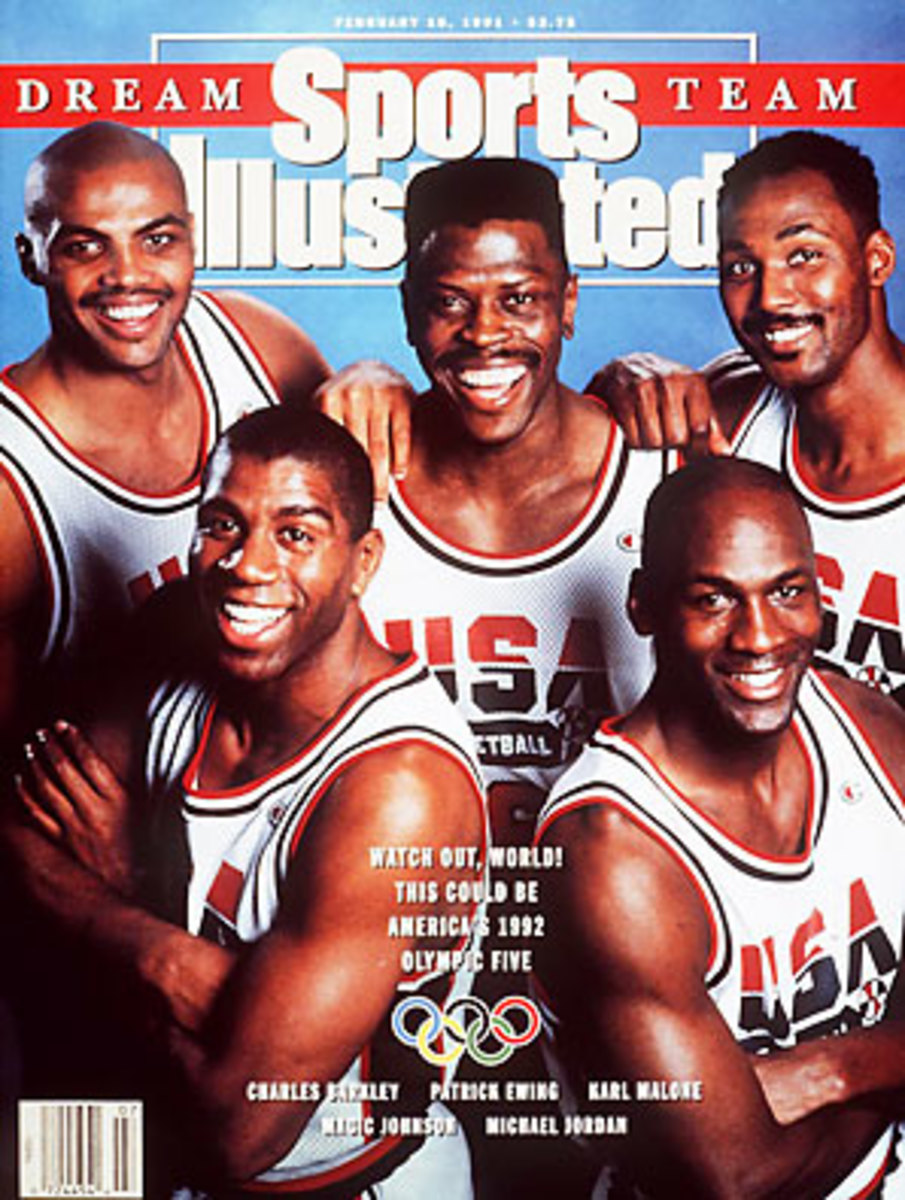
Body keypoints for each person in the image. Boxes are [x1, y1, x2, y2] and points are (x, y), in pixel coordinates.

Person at [4, 405, 487, 1198]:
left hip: (346, 1181)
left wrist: (134, 892)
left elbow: (242, 1135)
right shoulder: (177, 632)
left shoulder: (398, 785)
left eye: (295, 534)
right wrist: (173, 961)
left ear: (362, 561)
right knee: (23, 1160)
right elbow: (17, 837)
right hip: (152, 1139)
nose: (247, 565)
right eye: (223, 525)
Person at [535, 457, 905, 1198]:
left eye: (787, 592)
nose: (759, 636)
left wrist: (829, 1069)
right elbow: (738, 1176)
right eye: (713, 600)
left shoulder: (863, 723)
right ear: (643, 606)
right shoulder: (611, 850)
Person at [0, 120, 412, 754]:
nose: (127, 275)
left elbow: (364, 498)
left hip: (293, 766)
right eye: (85, 247)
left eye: (156, 239)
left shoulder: (253, 342)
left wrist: (377, 375)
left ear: (191, 238)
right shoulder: (13, 481)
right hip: (130, 798)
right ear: (32, 258)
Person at [363, 157, 669, 846]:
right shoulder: (354, 483)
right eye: (449, 302)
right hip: (400, 898)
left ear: (568, 302)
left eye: (519, 299)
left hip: (627, 895)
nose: (484, 332)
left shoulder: (664, 475)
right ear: (409, 311)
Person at [593, 131, 905, 706]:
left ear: (876, 259)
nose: (770, 298)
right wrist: (618, 379)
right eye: (740, 267)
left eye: (804, 256)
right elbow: (571, 439)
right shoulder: (725, 415)